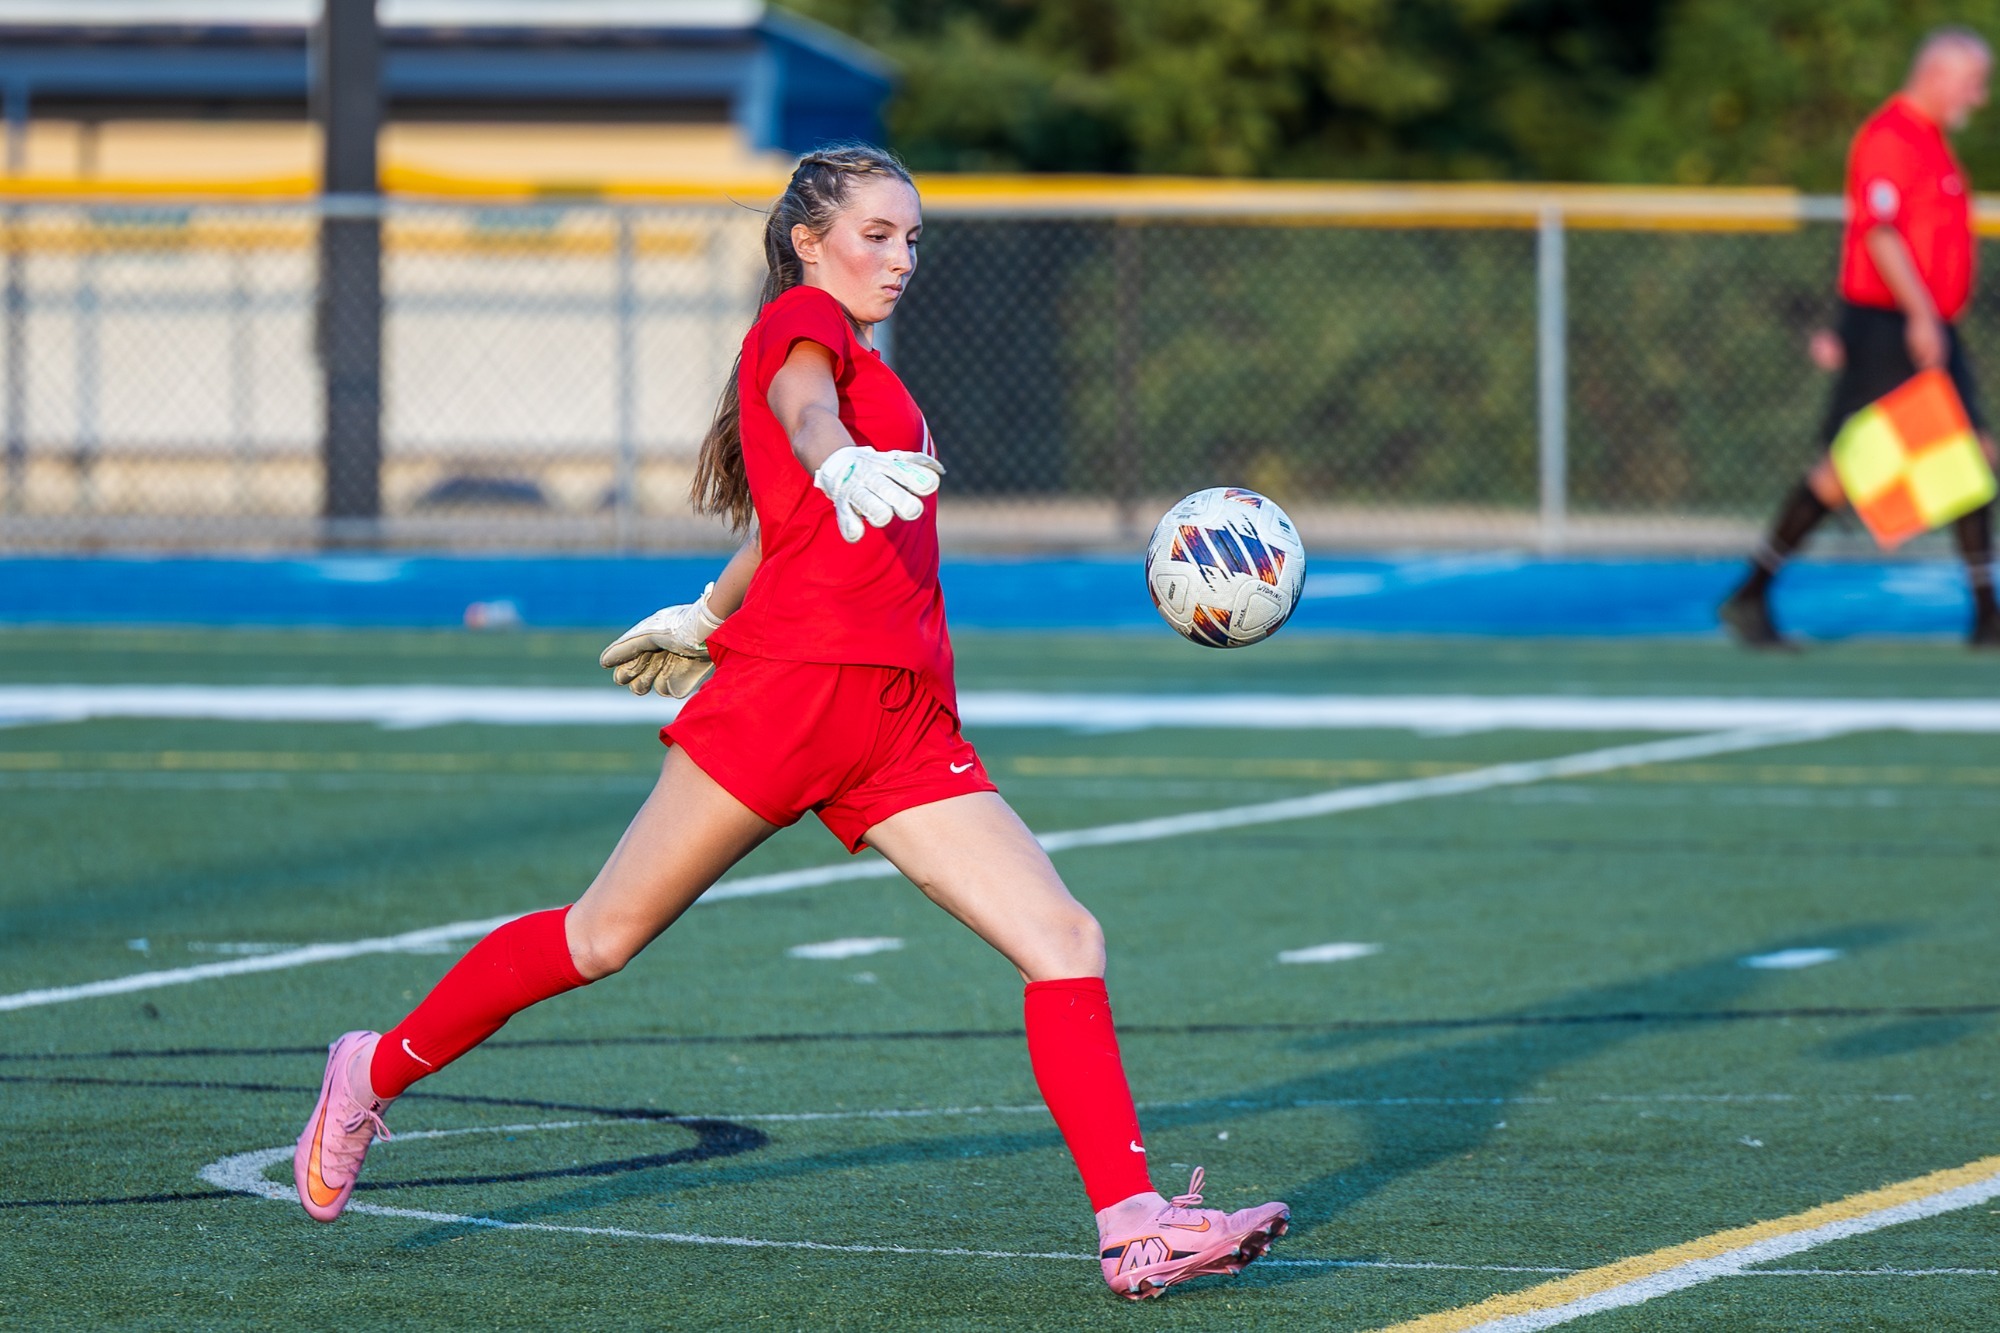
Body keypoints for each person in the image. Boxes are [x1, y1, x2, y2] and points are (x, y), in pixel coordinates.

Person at [291, 144, 1288, 1301]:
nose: (900, 257)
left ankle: (1132, 1227)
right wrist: (837, 464)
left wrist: (705, 610)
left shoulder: (874, 372)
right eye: (878, 234)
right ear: (810, 240)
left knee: (1064, 939)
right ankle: (370, 1068)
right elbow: (802, 416)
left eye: (913, 238)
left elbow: (786, 516)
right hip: (790, 699)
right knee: (600, 938)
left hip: (897, 717)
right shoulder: (796, 329)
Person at [1720, 26, 1999, 650]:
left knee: (1971, 454)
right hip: (1895, 325)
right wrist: (1919, 315)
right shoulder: (1890, 137)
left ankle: (1987, 614)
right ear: (1938, 74)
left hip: (1924, 324)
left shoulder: (1932, 143)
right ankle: (1751, 592)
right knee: (1845, 471)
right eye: (1973, 83)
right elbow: (1877, 234)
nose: (1978, 98)